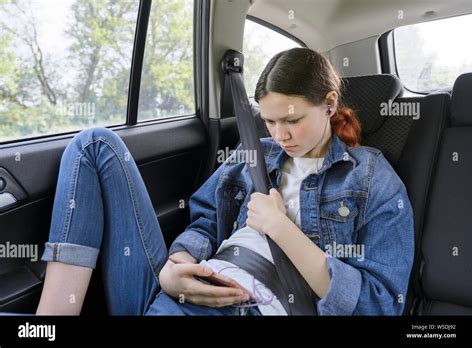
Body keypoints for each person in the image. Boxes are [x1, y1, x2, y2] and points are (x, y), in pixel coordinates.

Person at [36, 48, 414, 316]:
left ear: (329, 103)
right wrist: (176, 266)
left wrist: (281, 228)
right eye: (269, 120)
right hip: (182, 290)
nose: (280, 134)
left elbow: (378, 304)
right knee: (94, 144)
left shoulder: (371, 178)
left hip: (252, 306)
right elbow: (203, 221)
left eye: (293, 119)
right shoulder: (255, 153)